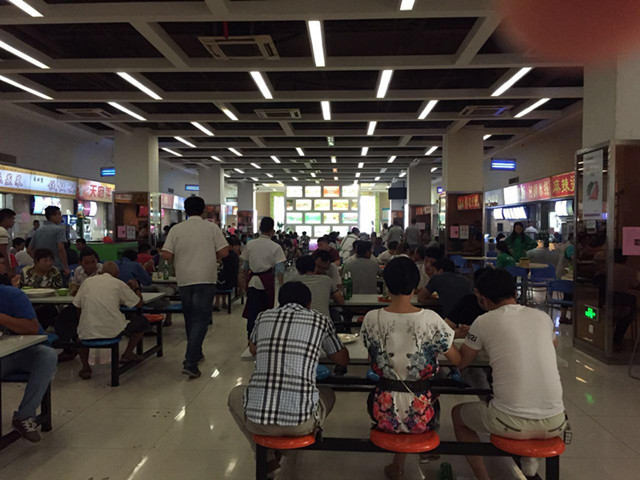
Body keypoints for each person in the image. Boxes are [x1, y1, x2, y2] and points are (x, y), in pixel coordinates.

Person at [452, 269, 566, 480]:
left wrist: (448, 339)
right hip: (556, 421)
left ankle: (483, 478)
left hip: (510, 422)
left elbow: (462, 362)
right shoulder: (542, 317)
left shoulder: (484, 321)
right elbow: (553, 345)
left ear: (482, 298)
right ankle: (528, 459)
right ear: (514, 292)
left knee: (458, 414)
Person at [228, 281, 349, 477]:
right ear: (309, 304)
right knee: (328, 393)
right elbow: (341, 360)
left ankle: (267, 457)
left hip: (258, 421)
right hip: (300, 423)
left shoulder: (263, 316)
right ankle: (293, 444)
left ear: (280, 302)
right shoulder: (320, 320)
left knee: (235, 394)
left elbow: (253, 348)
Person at [361, 257, 462, 479]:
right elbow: (456, 359)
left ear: (387, 285)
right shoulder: (431, 319)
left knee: (399, 391)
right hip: (422, 412)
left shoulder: (371, 318)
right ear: (416, 285)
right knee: (425, 392)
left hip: (382, 409)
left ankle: (397, 467)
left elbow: (372, 357)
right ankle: (416, 456)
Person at [162, 196, 229, 378]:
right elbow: (224, 251)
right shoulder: (211, 228)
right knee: (201, 319)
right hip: (205, 278)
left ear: (185, 210)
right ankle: (190, 362)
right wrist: (210, 255)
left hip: (184, 279)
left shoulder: (176, 229)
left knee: (190, 318)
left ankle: (196, 353)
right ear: (203, 210)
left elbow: (166, 254)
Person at [0, 285, 57, 442]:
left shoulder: (12, 295)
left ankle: (25, 415)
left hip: (23, 352)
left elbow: (31, 327)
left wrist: (2, 318)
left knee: (47, 356)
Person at [72, 261, 147, 379]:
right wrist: (136, 288)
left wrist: (82, 321)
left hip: (87, 330)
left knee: (81, 332)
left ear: (100, 272)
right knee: (142, 321)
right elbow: (139, 303)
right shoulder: (118, 283)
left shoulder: (87, 282)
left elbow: (77, 306)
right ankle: (127, 354)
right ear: (117, 274)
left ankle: (85, 367)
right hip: (113, 330)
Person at [240, 217, 286, 337]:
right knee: (266, 310)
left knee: (252, 311)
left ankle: (250, 337)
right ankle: (263, 336)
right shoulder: (275, 247)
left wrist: (244, 283)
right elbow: (280, 270)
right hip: (267, 281)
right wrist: (281, 287)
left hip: (252, 281)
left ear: (260, 228)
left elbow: (245, 267)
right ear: (272, 230)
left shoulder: (250, 244)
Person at [28, 206, 69, 276]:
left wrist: (39, 261)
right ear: (52, 216)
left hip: (40, 268)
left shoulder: (38, 230)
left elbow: (29, 250)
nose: (61, 217)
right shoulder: (59, 230)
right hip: (56, 267)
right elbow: (61, 249)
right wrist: (66, 266)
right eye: (59, 214)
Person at [214, 236, 241, 311]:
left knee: (215, 281)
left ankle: (216, 303)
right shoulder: (234, 255)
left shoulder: (227, 255)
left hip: (228, 281)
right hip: (232, 279)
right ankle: (223, 302)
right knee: (221, 278)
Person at [0, 208, 16, 276]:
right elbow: (3, 253)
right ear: (6, 219)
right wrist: (9, 271)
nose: (14, 222)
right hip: (3, 269)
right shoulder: (2, 231)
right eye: (12, 219)